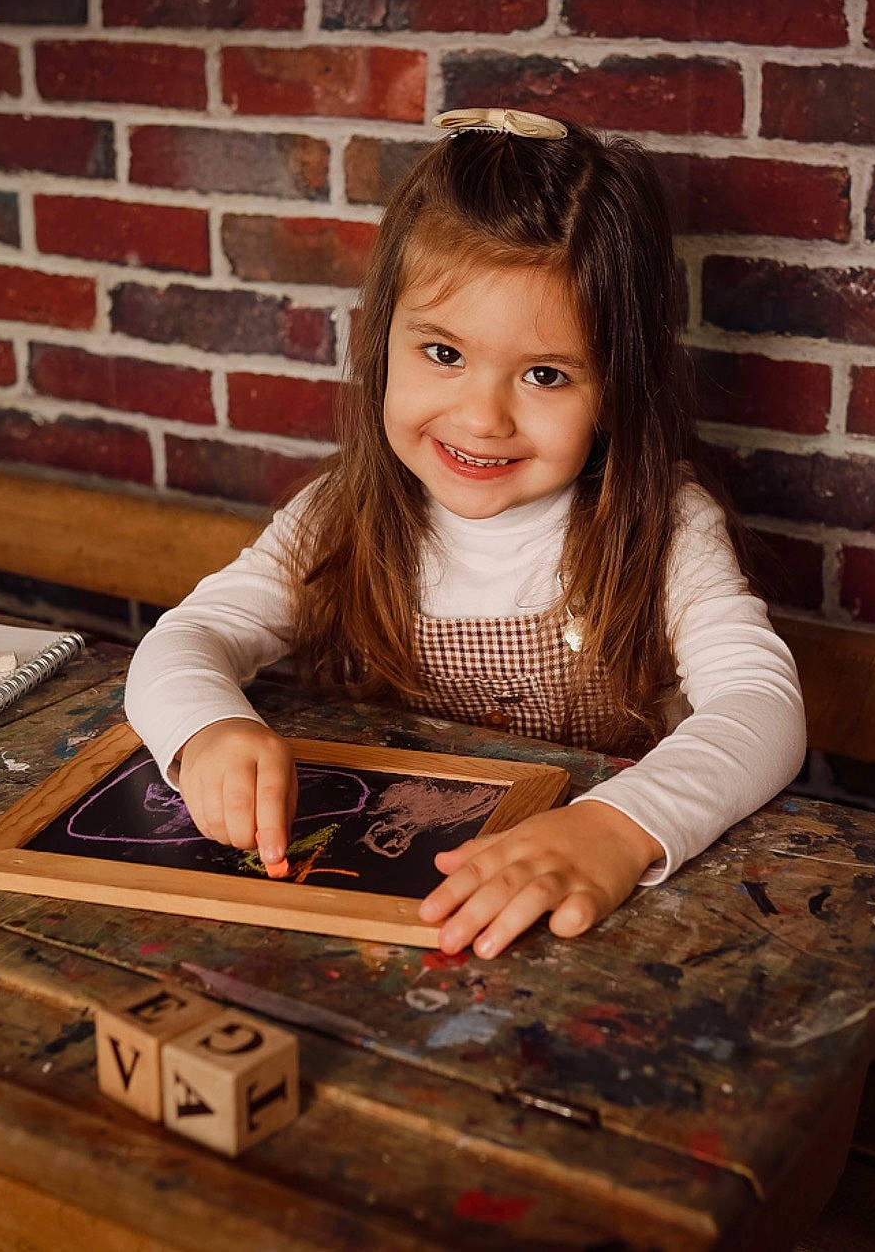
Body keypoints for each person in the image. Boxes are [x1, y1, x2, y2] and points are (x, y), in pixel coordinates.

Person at [125, 106, 807, 958]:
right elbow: (187, 636)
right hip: (381, 916)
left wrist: (615, 829)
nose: (482, 417)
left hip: (592, 923)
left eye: (546, 374)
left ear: (616, 391)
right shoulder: (342, 514)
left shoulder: (663, 529)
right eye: (443, 354)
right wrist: (205, 732)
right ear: (383, 345)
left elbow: (763, 705)